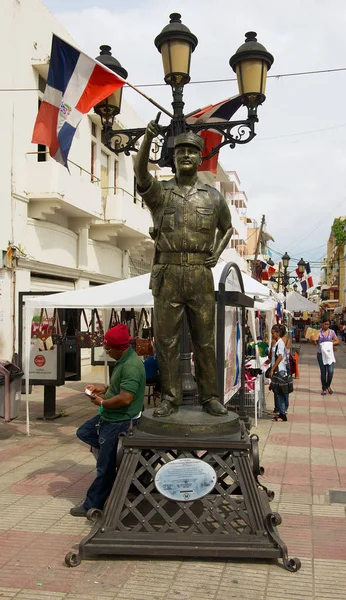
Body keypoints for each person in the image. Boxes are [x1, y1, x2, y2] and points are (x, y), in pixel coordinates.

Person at [134, 120, 233, 418]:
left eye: (192, 151)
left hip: (200, 275)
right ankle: (170, 398)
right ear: (174, 158)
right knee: (166, 341)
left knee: (205, 341)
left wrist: (215, 254)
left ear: (200, 157)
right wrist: (148, 138)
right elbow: (140, 174)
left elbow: (227, 229)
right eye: (180, 152)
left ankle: (210, 398)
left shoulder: (213, 196)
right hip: (168, 273)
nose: (186, 156)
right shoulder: (161, 193)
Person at [70, 324, 145, 517]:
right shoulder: (123, 359)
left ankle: (92, 505)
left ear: (121, 347)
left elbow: (125, 398)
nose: (106, 351)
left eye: (108, 348)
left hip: (118, 421)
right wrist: (101, 389)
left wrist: (102, 403)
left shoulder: (130, 366)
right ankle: (113, 459)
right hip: (110, 418)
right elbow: (118, 388)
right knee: (84, 432)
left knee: (105, 468)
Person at [312, 318, 340, 395]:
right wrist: (313, 340)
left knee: (330, 371)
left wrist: (330, 343)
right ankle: (324, 388)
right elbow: (315, 343)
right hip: (320, 354)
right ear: (322, 324)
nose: (326, 326)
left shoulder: (331, 332)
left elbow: (337, 341)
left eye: (328, 324)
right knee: (323, 372)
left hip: (329, 354)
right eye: (325, 324)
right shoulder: (318, 332)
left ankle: (328, 385)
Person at [269, 324, 290, 422]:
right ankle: (280, 412)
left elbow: (280, 356)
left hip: (279, 370)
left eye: (273, 333)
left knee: (280, 393)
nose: (272, 335)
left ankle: (282, 414)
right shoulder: (276, 343)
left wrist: (273, 369)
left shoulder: (281, 343)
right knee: (277, 392)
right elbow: (272, 356)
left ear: (277, 333)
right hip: (277, 370)